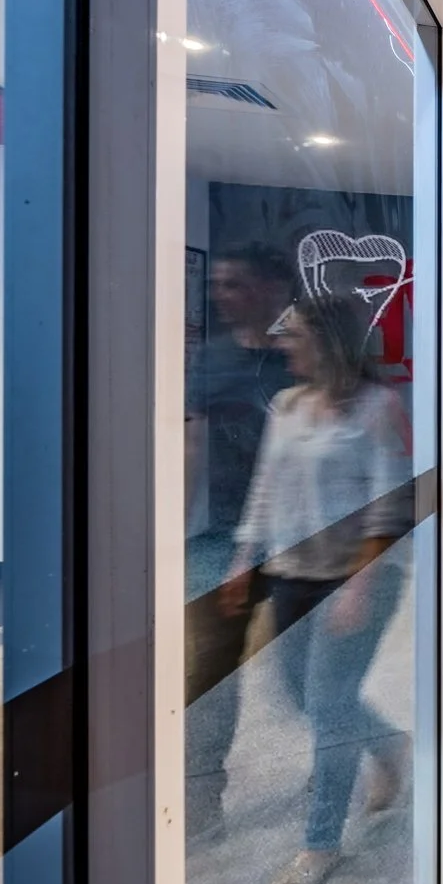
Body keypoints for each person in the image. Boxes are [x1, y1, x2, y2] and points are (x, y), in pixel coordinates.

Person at [227, 294, 415, 884]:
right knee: (297, 694)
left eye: (295, 334)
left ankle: (320, 843)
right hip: (293, 571)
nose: (282, 343)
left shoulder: (376, 407)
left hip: (360, 576)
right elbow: (264, 487)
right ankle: (388, 744)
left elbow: (388, 505)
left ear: (328, 341)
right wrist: (243, 557)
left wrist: (359, 584)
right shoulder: (286, 406)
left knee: (329, 706)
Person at [185, 243, 295, 838]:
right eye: (219, 284)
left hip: (303, 535)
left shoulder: (304, 359)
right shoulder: (212, 359)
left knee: (308, 674)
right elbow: (193, 441)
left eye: (236, 284)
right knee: (211, 673)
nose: (224, 296)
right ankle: (201, 801)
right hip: (223, 534)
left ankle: (353, 757)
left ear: (272, 290)